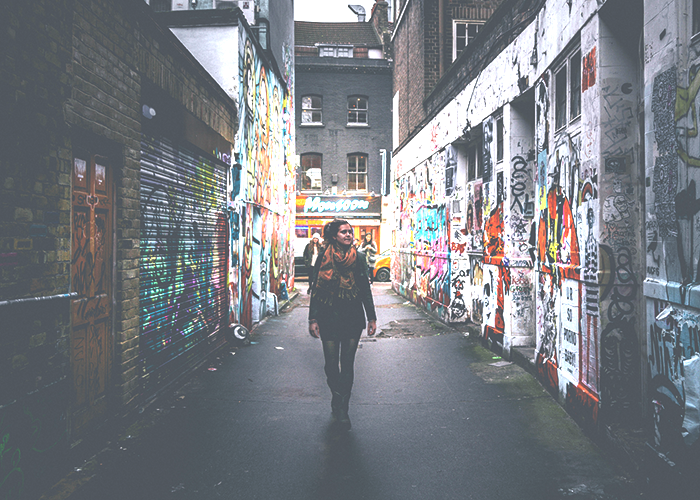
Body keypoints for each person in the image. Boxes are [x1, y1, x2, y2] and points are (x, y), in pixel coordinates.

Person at [308, 219, 377, 430]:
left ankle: (343, 408)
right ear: (334, 236)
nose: (348, 235)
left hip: (352, 316)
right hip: (329, 315)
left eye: (350, 232)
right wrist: (313, 318)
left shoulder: (360, 257)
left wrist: (371, 317)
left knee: (347, 365)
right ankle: (336, 397)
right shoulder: (323, 256)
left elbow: (365, 288)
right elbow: (316, 288)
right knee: (331, 365)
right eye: (343, 232)